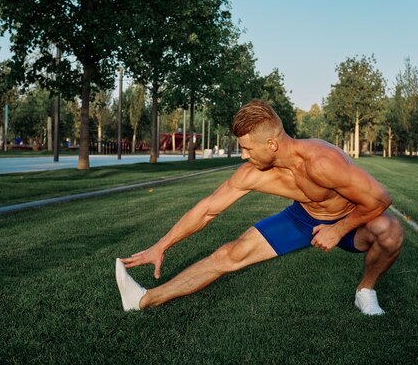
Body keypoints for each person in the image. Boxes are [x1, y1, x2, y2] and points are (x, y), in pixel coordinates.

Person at [116, 100, 403, 315]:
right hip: (303, 217)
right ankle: (143, 299)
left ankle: (365, 290)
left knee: (389, 230)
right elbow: (207, 209)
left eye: (248, 148)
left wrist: (338, 230)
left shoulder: (322, 162)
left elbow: (380, 198)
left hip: (348, 221)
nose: (244, 154)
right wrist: (161, 246)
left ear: (271, 144)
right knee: (229, 255)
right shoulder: (253, 172)